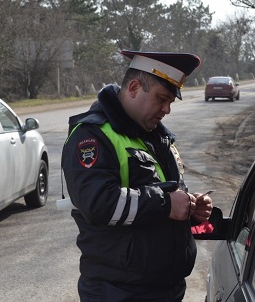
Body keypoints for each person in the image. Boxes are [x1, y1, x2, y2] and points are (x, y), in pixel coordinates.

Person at [61, 50, 213, 302]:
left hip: (165, 288)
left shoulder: (158, 136)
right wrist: (166, 204)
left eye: (170, 103)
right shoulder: (91, 136)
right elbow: (98, 204)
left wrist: (190, 205)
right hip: (118, 292)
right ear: (133, 88)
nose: (166, 109)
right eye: (161, 99)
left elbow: (167, 192)